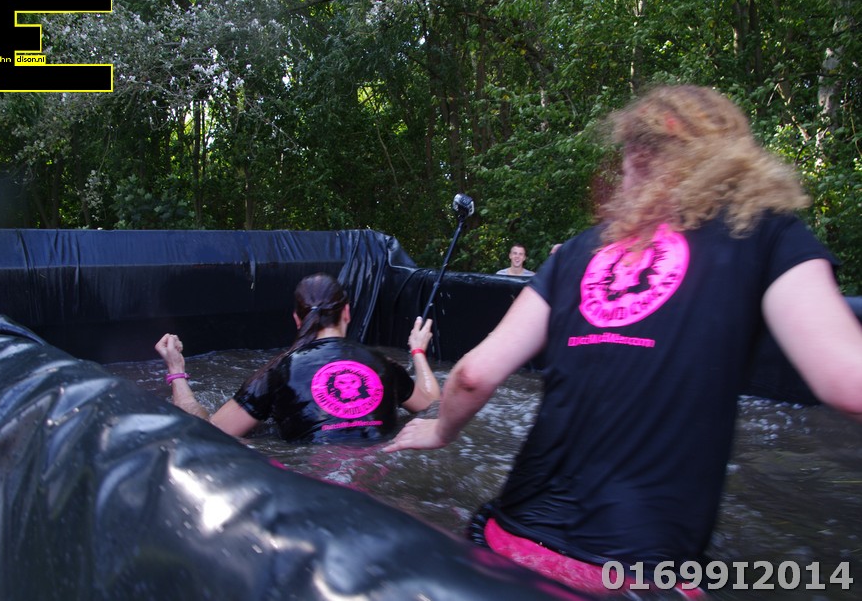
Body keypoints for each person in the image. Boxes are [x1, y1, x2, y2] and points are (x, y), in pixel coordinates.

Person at [384, 85, 862, 594]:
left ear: (636, 157)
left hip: (512, 545)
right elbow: (848, 381)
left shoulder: (578, 252)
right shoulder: (767, 234)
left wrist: (441, 431)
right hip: (641, 578)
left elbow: (474, 375)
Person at [156, 272, 440, 443]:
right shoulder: (383, 365)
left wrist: (176, 371)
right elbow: (432, 405)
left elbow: (208, 432)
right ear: (347, 313)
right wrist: (417, 351)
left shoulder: (277, 372)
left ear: (297, 319)